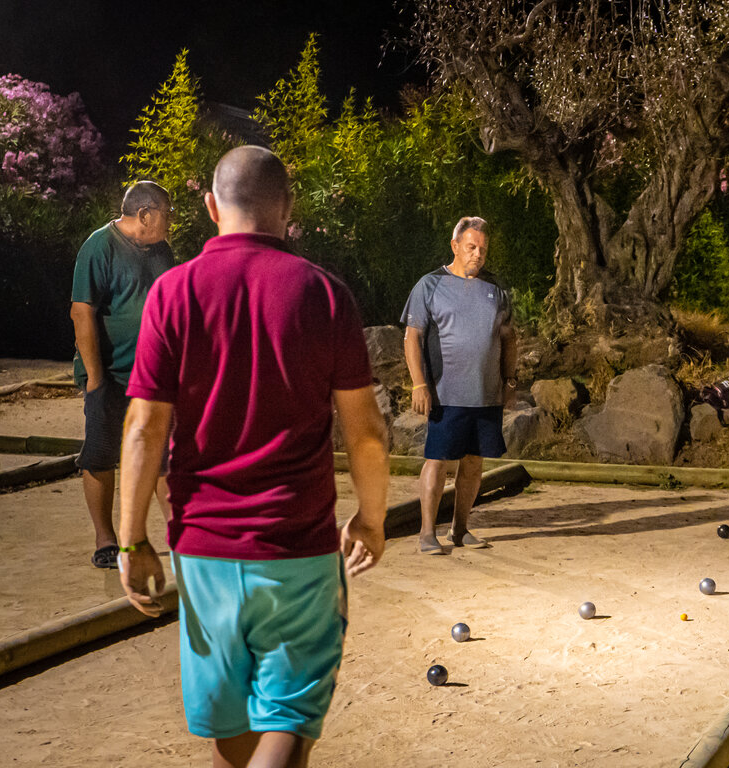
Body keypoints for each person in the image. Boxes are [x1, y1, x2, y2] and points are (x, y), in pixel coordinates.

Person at [118, 145, 389, 766]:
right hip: (296, 546)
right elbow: (366, 434)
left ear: (211, 207)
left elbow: (143, 430)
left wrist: (132, 541)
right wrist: (372, 519)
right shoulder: (325, 295)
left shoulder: (172, 292)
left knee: (233, 729)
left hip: (203, 548)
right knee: (288, 721)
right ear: (288, 208)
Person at [70, 180, 175, 568]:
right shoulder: (99, 246)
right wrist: (96, 379)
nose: (171, 221)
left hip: (153, 376)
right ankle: (105, 540)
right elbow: (82, 312)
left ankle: (181, 535)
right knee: (101, 453)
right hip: (111, 374)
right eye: (167, 213)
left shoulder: (162, 250)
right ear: (145, 214)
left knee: (164, 455)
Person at [401, 216, 517, 555]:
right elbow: (412, 337)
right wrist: (419, 384)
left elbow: (509, 339)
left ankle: (460, 528)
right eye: (471, 247)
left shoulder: (496, 289)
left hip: (486, 393)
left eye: (483, 248)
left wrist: (510, 380)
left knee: (474, 463)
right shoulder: (430, 285)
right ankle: (426, 533)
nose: (478, 254)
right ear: (455, 246)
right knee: (437, 460)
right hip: (444, 393)